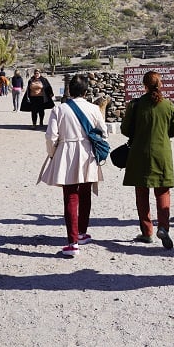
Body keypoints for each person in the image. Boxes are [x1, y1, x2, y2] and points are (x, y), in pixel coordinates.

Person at [39, 75, 107, 257]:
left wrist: (53, 154)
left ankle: (72, 242)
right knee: (85, 193)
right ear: (86, 91)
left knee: (70, 197)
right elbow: (104, 132)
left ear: (69, 90)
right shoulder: (94, 108)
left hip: (66, 153)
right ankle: (82, 233)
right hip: (88, 154)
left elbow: (50, 136)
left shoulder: (59, 110)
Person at [121, 70, 174, 249]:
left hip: (139, 154)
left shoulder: (136, 105)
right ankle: (163, 227)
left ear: (144, 86)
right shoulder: (168, 105)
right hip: (161, 154)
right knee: (162, 191)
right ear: (160, 84)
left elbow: (125, 129)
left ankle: (147, 231)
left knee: (142, 193)